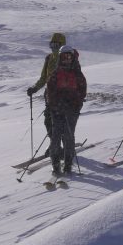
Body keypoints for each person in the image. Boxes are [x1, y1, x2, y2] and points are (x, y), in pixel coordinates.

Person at [45, 45, 87, 175]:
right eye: (64, 56)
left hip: (72, 111)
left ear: (73, 58)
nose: (66, 59)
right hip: (57, 110)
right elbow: (50, 91)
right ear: (60, 58)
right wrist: (55, 104)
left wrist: (74, 104)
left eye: (69, 56)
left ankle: (68, 165)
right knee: (56, 137)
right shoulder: (56, 74)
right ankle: (55, 164)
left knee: (69, 136)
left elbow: (82, 92)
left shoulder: (77, 74)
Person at [26, 32, 67, 151]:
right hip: (49, 94)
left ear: (62, 45)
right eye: (51, 44)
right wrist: (35, 88)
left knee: (61, 122)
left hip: (63, 95)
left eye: (56, 45)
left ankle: (66, 147)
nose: (53, 47)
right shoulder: (49, 58)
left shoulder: (67, 58)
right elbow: (44, 77)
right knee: (48, 121)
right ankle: (55, 145)